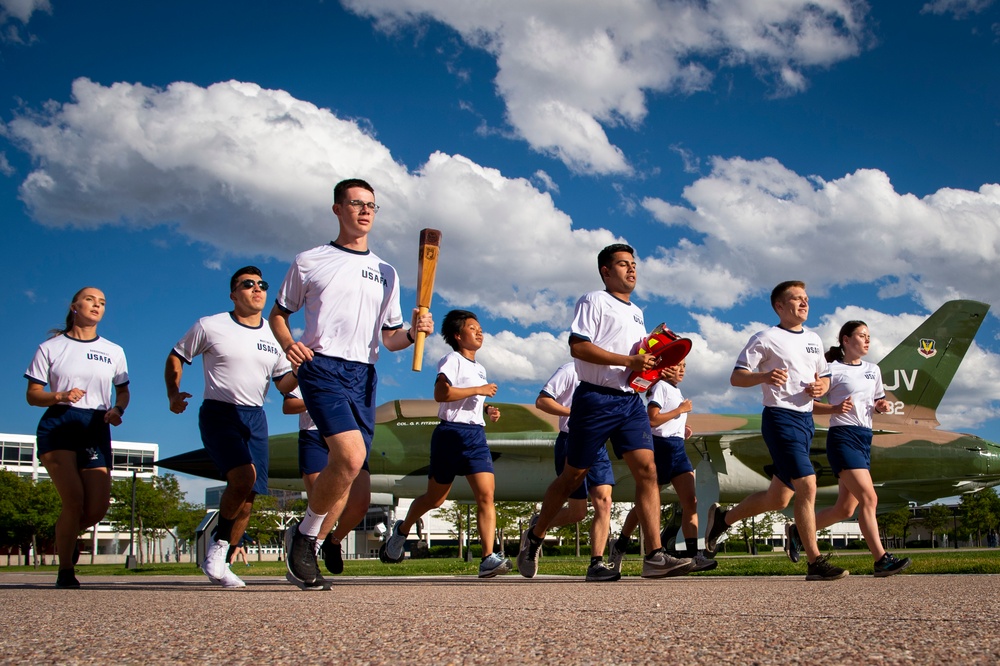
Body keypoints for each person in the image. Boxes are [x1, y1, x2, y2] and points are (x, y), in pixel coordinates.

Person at [270, 178, 433, 591]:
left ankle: (305, 537)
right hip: (320, 366)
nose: (365, 211)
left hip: (363, 374)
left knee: (348, 468)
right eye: (356, 203)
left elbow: (390, 338)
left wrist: (415, 332)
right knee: (349, 454)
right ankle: (306, 539)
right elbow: (278, 314)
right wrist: (290, 345)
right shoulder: (310, 261)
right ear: (337, 209)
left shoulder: (387, 272)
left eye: (372, 206)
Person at [516, 244, 693, 579]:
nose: (631, 270)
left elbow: (635, 364)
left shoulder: (638, 312)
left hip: (629, 402)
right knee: (573, 477)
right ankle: (535, 535)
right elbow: (578, 346)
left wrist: (652, 368)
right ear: (606, 271)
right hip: (594, 399)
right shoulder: (593, 300)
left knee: (648, 471)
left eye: (634, 265)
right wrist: (629, 360)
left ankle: (654, 555)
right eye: (623, 264)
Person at [704, 280, 846, 581]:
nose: (804, 303)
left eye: (806, 298)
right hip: (780, 419)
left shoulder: (814, 339)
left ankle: (722, 519)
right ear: (779, 306)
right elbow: (737, 377)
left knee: (778, 498)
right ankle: (815, 562)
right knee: (808, 485)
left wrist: (823, 385)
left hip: (806, 420)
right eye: (796, 299)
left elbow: (827, 377)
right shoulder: (765, 338)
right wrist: (765, 376)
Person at [166, 266, 295, 588]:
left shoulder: (274, 336)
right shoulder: (210, 326)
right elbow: (177, 356)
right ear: (233, 294)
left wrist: (307, 370)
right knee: (242, 477)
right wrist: (173, 392)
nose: (256, 289)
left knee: (249, 497)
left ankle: (222, 561)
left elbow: (283, 383)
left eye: (261, 285)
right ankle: (219, 547)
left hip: (256, 417)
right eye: (247, 284)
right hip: (220, 412)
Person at [381, 310, 512, 578]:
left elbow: (469, 400)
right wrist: (479, 390)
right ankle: (402, 530)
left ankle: (487, 558)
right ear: (457, 335)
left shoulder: (479, 368)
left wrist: (487, 410)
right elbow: (442, 394)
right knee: (435, 499)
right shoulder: (452, 359)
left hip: (475, 435)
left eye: (480, 328)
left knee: (486, 495)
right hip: (450, 435)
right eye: (472, 328)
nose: (479, 332)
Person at [785, 321, 911, 577]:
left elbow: (876, 401)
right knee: (870, 498)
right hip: (843, 438)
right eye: (862, 336)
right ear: (845, 340)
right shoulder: (831, 369)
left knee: (845, 509)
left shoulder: (873, 370)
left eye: (869, 336)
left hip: (865, 438)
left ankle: (799, 531)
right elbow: (810, 403)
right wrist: (834, 409)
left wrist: (881, 406)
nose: (867, 341)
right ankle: (881, 559)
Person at [25, 287, 130, 589]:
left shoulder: (114, 351)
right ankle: (66, 571)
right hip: (60, 423)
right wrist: (59, 395)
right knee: (73, 501)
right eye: (90, 300)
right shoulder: (51, 347)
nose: (97, 305)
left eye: (102, 302)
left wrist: (118, 409)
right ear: (74, 307)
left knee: (96, 508)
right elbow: (33, 395)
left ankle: (63, 533)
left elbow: (122, 390)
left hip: (96, 425)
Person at [610, 359, 717, 573]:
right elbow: (652, 419)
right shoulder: (660, 387)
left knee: (691, 501)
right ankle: (621, 542)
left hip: (678, 448)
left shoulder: (675, 391)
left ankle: (692, 556)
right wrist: (679, 410)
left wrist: (682, 426)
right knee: (648, 504)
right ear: (666, 367)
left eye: (685, 366)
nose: (682, 369)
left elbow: (667, 419)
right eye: (677, 365)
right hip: (660, 447)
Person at [534, 361, 618, 582]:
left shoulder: (609, 375)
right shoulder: (570, 370)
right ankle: (538, 526)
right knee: (577, 513)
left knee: (605, 501)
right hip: (571, 440)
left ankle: (597, 564)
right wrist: (574, 412)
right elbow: (542, 401)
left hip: (598, 444)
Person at [283, 387, 370, 575]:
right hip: (314, 435)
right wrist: (322, 399)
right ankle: (307, 552)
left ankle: (333, 542)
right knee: (325, 499)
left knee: (360, 505)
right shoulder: (312, 368)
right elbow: (288, 405)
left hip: (350, 435)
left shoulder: (356, 369)